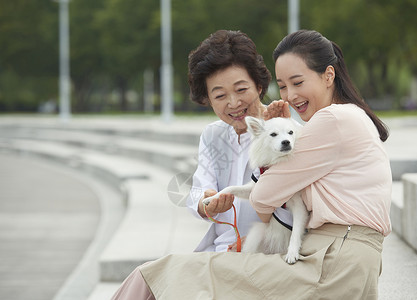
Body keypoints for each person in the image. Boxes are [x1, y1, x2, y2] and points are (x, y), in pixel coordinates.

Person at [111, 29, 392, 300]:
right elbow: (203, 188)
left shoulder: (321, 123)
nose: (290, 95)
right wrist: (204, 203)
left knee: (163, 274)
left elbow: (263, 195)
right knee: (166, 274)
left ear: (328, 74)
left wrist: (271, 132)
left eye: (298, 82)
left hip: (328, 259)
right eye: (283, 86)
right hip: (327, 253)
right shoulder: (338, 119)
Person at [185, 29, 273, 253]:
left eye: (241, 89)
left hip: (267, 255)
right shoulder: (213, 135)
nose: (233, 103)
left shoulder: (282, 131)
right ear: (209, 100)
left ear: (259, 86)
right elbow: (199, 191)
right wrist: (207, 204)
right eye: (220, 96)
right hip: (219, 251)